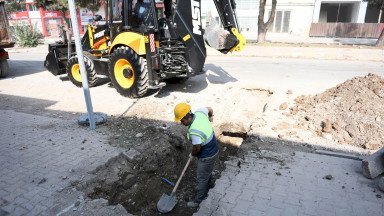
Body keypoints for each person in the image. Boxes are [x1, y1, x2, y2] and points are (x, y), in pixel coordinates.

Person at [174, 103, 219, 208]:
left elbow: (197, 148)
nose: (181, 123)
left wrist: (192, 154)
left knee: (201, 178)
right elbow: (210, 108)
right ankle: (210, 185)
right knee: (207, 171)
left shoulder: (194, 131)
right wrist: (211, 117)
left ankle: (199, 200)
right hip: (214, 148)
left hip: (207, 155)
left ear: (188, 117)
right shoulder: (199, 112)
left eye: (182, 120)